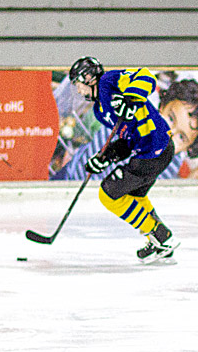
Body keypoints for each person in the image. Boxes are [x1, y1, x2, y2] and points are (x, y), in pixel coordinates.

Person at [68, 56, 178, 263]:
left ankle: (160, 235)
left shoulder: (108, 81)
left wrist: (130, 98)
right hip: (148, 152)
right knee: (135, 196)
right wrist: (105, 157)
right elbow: (127, 141)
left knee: (108, 193)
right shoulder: (99, 111)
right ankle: (160, 240)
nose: (79, 91)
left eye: (78, 85)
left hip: (155, 147)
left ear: (89, 78)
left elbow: (145, 76)